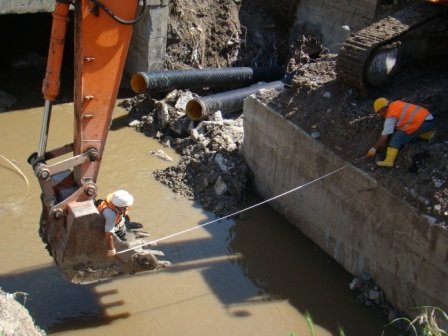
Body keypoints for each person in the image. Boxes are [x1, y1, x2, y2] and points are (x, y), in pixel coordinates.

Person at [367, 97, 436, 167]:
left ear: (383, 109)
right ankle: (430, 135)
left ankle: (389, 161)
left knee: (397, 138)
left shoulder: (391, 115)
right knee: (409, 131)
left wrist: (374, 149)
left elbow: (384, 136)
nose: (380, 115)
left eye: (379, 113)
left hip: (421, 123)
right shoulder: (396, 104)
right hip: (429, 120)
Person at [97, 190, 134, 257]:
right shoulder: (110, 214)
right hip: (113, 224)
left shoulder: (115, 197)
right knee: (121, 237)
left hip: (119, 220)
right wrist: (111, 249)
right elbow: (108, 234)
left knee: (124, 229)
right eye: (125, 206)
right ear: (120, 206)